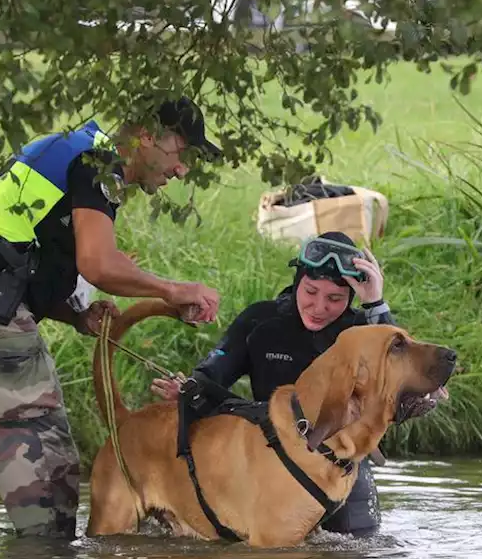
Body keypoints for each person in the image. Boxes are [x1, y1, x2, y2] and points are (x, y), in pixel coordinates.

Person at [0, 96, 223, 541]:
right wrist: (175, 290)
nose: (182, 170)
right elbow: (98, 263)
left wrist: (74, 315)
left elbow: (14, 248)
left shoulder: (66, 147)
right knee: (46, 468)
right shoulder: (99, 164)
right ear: (149, 135)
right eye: (182, 153)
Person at [150, 231, 395, 538]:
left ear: (351, 298)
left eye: (335, 299)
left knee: (354, 553)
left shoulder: (363, 330)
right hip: (270, 458)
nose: (319, 307)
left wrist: (376, 304)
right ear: (297, 282)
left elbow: (397, 382)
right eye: (310, 292)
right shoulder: (262, 321)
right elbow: (212, 374)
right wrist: (189, 389)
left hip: (342, 466)